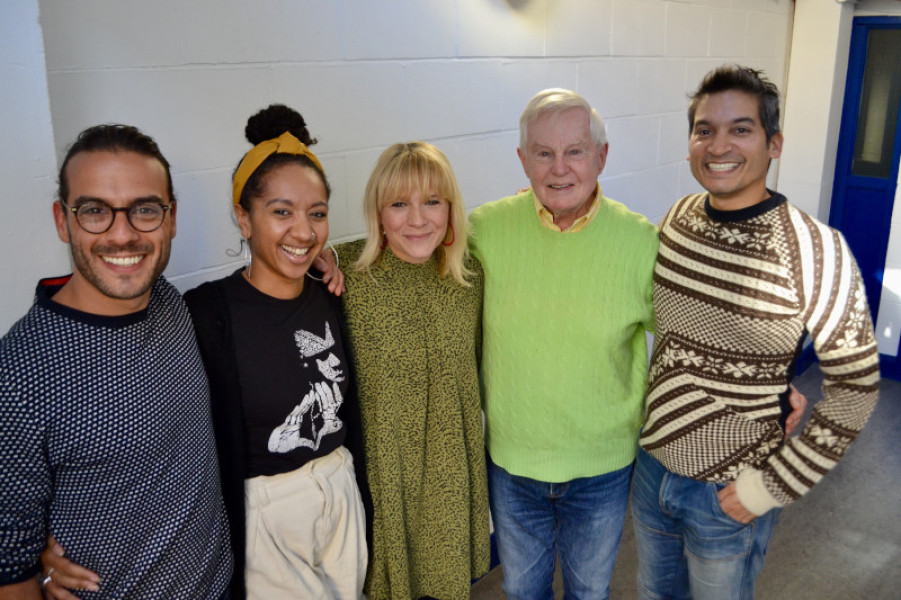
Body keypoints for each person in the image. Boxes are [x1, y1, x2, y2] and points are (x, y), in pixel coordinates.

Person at [39, 106, 369, 600]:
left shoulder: (330, 291)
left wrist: (329, 259)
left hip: (340, 490)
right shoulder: (202, 311)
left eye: (316, 213)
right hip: (265, 512)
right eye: (281, 212)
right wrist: (43, 536)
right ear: (244, 217)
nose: (303, 231)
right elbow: (101, 360)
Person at [632, 64, 881, 600]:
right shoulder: (677, 218)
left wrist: (769, 488)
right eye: (705, 130)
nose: (719, 144)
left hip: (730, 492)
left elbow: (856, 390)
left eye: (740, 129)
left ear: (775, 144)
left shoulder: (816, 248)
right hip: (652, 472)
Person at [0, 124, 232, 599]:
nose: (122, 235)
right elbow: (10, 562)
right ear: (63, 221)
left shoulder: (169, 303)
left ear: (170, 219)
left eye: (144, 210)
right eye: (94, 211)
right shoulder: (19, 372)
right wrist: (39, 565)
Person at [467, 89, 659, 600]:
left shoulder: (641, 242)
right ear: (522, 159)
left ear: (602, 155)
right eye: (543, 153)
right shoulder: (483, 231)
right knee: (523, 592)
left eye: (575, 150)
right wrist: (329, 263)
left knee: (588, 593)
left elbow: (686, 333)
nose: (559, 168)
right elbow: (410, 251)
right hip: (513, 464)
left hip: (603, 469)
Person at [334, 142, 490, 600]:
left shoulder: (471, 277)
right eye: (399, 204)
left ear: (450, 209)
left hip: (450, 468)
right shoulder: (346, 275)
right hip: (386, 473)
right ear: (378, 213)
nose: (418, 219)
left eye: (432, 201)